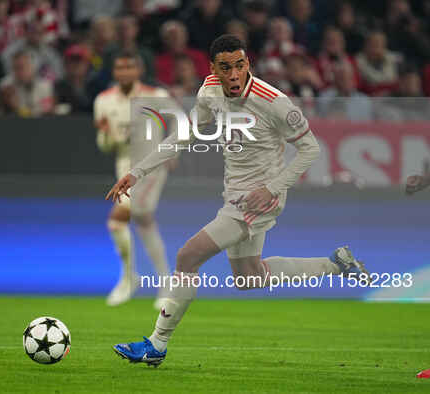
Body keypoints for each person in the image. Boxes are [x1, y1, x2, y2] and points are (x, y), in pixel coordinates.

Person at [107, 35, 370, 366]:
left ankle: (157, 344)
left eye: (240, 66)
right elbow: (186, 134)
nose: (234, 75)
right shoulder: (209, 91)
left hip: (259, 200)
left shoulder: (274, 101)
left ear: (249, 64)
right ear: (214, 69)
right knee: (249, 277)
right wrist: (138, 172)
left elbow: (310, 149)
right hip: (234, 194)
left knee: (188, 256)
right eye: (225, 68)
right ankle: (336, 264)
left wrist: (273, 188)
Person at [94, 51, 174, 308]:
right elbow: (105, 146)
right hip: (124, 165)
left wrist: (173, 150)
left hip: (151, 164)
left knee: (118, 219)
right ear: (114, 72)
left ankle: (129, 278)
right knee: (143, 221)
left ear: (138, 70)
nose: (124, 72)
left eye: (129, 67)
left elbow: (180, 122)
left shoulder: (156, 96)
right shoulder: (103, 101)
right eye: (120, 68)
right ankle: (164, 282)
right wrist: (106, 136)